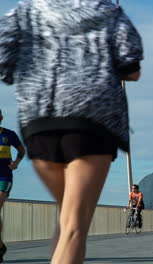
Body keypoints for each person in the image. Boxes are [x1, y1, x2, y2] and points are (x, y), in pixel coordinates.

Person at [0, 1, 143, 262]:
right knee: (75, 228)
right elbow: (131, 70)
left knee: (67, 219)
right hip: (92, 125)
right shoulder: (109, 12)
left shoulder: (25, 11)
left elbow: (4, 57)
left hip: (38, 124)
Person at [0, 109, 25, 261]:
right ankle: (0, 245)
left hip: (4, 176)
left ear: (1, 117)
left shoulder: (9, 135)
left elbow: (22, 151)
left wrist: (16, 163)